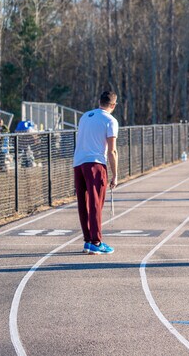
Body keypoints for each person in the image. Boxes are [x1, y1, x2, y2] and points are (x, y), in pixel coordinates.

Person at [73, 91, 119, 255]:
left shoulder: (85, 116)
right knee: (95, 203)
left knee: (83, 204)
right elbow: (112, 151)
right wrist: (115, 174)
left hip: (78, 163)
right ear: (113, 105)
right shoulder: (110, 120)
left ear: (99, 101)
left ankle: (88, 241)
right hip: (95, 164)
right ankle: (96, 242)